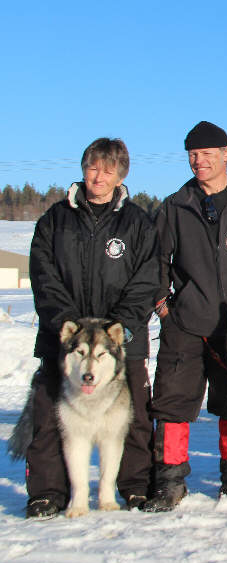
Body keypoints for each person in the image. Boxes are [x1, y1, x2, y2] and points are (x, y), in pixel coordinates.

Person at [143, 121, 227, 512]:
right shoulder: (175, 206)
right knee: (172, 404)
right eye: (192, 154)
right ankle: (169, 481)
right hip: (185, 325)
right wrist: (162, 305)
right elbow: (155, 260)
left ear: (226, 154)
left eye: (206, 154)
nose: (198, 161)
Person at [25, 137, 158, 518]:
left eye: (108, 170)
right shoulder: (55, 219)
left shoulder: (137, 222)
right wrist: (69, 326)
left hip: (121, 342)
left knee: (132, 422)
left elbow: (146, 279)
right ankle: (48, 492)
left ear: (121, 176)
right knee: (49, 418)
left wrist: (120, 327)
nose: (99, 176)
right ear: (83, 169)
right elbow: (43, 275)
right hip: (64, 341)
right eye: (93, 167)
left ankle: (134, 487)